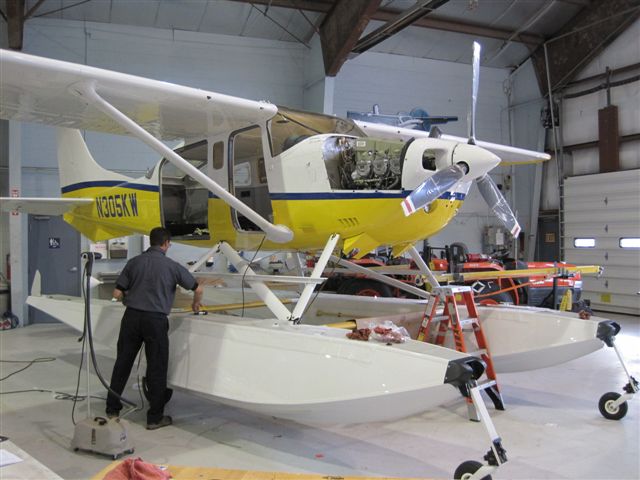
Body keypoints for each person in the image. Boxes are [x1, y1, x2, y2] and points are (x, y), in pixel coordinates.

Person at [106, 227, 203, 430]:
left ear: (151, 241)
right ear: (166, 243)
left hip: (131, 318)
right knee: (157, 367)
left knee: (123, 363)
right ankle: (154, 418)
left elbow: (116, 293)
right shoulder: (172, 266)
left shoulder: (134, 262)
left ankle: (112, 408)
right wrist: (196, 303)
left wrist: (131, 296)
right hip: (155, 320)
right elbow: (198, 288)